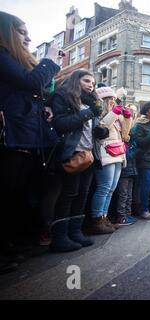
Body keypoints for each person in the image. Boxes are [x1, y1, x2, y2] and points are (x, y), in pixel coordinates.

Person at [0, 11, 60, 270]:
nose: (28, 37)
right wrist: (49, 59)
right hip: (11, 135)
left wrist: (46, 106)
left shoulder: (15, 59)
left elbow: (34, 89)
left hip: (25, 135)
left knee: (15, 194)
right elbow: (30, 82)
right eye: (22, 32)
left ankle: (9, 244)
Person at [50, 69, 104, 252]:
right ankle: (59, 237)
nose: (91, 85)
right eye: (87, 81)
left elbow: (92, 129)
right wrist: (89, 113)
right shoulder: (63, 96)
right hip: (71, 153)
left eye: (93, 83)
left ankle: (75, 232)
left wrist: (100, 131)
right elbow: (61, 124)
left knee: (83, 193)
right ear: (76, 80)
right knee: (68, 194)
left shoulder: (91, 103)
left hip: (89, 154)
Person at [89, 86, 132, 234]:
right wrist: (114, 114)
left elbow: (126, 134)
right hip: (104, 152)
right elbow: (101, 127)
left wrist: (127, 118)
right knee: (104, 187)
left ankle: (104, 217)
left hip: (118, 153)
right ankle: (96, 219)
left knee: (111, 189)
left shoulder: (115, 116)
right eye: (110, 99)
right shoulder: (98, 113)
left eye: (114, 99)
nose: (113, 101)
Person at [114, 104, 139, 226]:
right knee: (123, 194)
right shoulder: (122, 129)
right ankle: (121, 217)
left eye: (134, 111)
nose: (132, 113)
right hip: (124, 165)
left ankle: (127, 215)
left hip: (132, 166)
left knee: (129, 193)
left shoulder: (132, 131)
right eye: (130, 110)